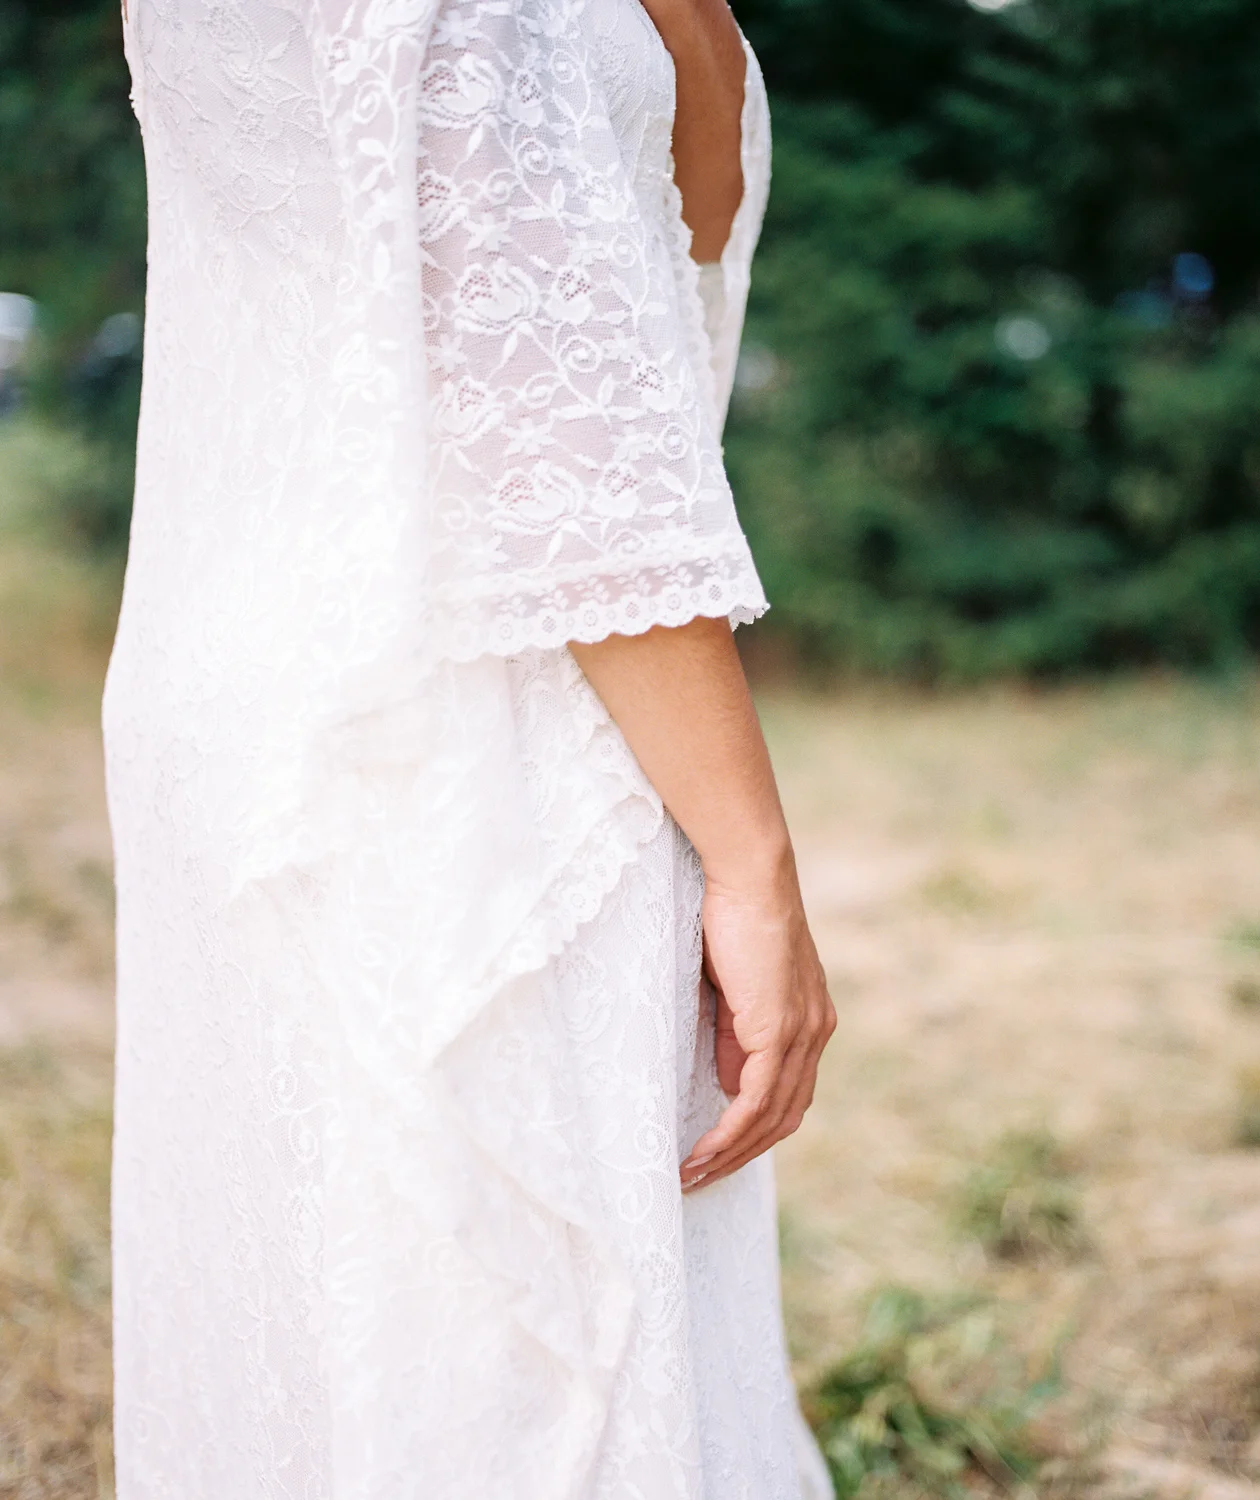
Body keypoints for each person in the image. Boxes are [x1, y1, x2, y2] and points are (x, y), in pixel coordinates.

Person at [103, 1, 837, 1495]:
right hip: (465, 714)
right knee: (492, 1334)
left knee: (359, 1308)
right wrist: (753, 863)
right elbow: (557, 422)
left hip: (265, 678)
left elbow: (684, 216)